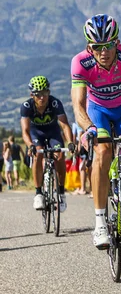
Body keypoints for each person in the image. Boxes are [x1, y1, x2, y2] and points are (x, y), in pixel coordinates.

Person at [71, 14, 121, 249]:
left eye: (110, 45)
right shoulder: (81, 63)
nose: (104, 51)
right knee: (103, 151)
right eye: (98, 47)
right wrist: (89, 128)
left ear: (118, 42)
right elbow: (78, 106)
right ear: (89, 48)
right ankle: (100, 221)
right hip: (98, 111)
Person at [21, 76, 74, 212]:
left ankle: (61, 193)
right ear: (32, 95)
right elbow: (25, 131)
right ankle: (38, 193)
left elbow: (65, 126)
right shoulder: (26, 106)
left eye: (44, 93)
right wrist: (30, 145)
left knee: (60, 156)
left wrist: (71, 143)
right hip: (35, 134)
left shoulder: (55, 103)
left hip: (53, 133)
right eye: (38, 94)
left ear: (48, 92)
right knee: (37, 155)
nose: (42, 98)